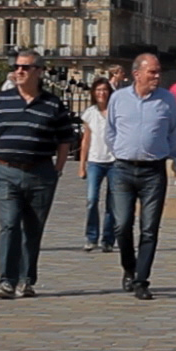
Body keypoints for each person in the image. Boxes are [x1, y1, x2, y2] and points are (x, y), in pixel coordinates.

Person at [0, 51, 76, 299]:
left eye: (25, 67)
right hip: (6, 170)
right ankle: (6, 281)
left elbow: (65, 139)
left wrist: (58, 168)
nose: (18, 71)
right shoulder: (1, 100)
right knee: (9, 224)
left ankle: (26, 279)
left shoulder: (53, 104)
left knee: (33, 228)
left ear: (39, 72)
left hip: (41, 173)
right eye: (17, 67)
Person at [105, 53, 176, 300]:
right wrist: (121, 150)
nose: (157, 76)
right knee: (121, 225)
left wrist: (164, 152)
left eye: (158, 71)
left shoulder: (167, 100)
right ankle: (129, 267)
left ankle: (142, 280)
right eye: (152, 72)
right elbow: (110, 131)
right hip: (122, 169)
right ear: (137, 74)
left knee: (149, 228)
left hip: (153, 170)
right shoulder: (118, 98)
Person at [78, 76, 117, 253]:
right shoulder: (90, 113)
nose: (102, 93)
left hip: (114, 161)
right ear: (94, 93)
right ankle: (91, 236)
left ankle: (108, 239)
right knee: (92, 199)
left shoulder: (116, 111)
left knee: (112, 202)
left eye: (105, 90)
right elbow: (86, 140)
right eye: (98, 90)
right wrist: (82, 164)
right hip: (95, 161)